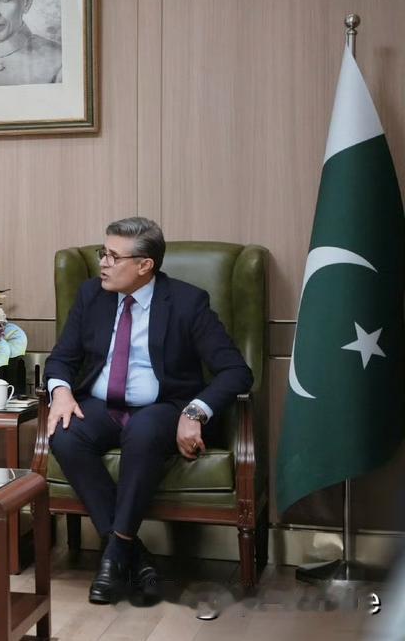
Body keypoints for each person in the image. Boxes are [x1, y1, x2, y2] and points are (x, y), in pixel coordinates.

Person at [44, 217, 253, 606]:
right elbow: (62, 358)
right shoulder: (92, 295)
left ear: (145, 265)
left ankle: (113, 559)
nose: (103, 263)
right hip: (103, 405)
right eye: (102, 252)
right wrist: (60, 392)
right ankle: (132, 555)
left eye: (113, 256)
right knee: (66, 436)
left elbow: (237, 371)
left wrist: (195, 411)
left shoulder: (187, 302)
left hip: (164, 406)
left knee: (142, 431)